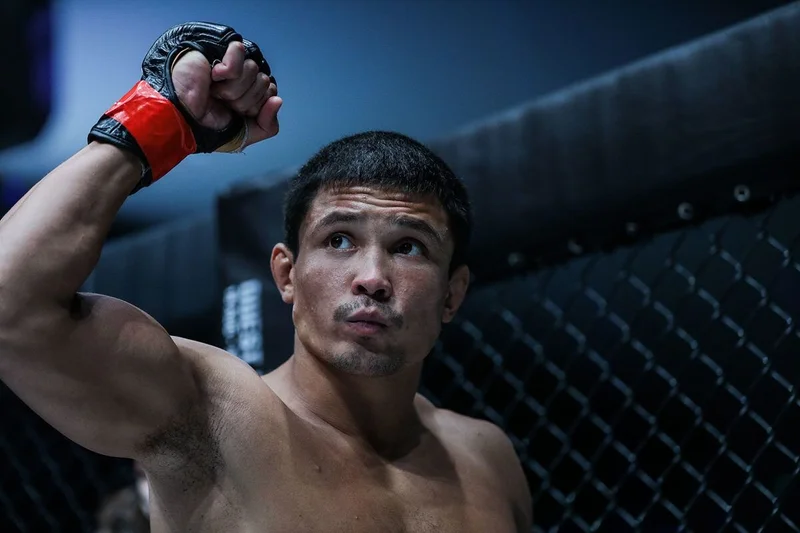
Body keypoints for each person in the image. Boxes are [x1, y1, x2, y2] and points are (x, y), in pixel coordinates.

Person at [0, 22, 532, 532]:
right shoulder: (210, 417)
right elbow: (10, 303)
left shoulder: (487, 459)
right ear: (287, 275)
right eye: (339, 240)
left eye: (409, 247)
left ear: (452, 294)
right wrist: (160, 116)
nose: (372, 278)